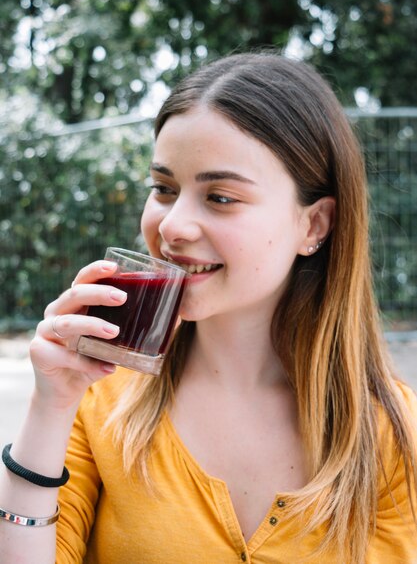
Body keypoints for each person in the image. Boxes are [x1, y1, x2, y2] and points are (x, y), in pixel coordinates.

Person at [0, 52, 416, 564]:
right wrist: (51, 406)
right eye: (164, 188)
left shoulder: (391, 431)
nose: (172, 226)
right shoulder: (100, 396)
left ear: (314, 226)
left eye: (220, 197)